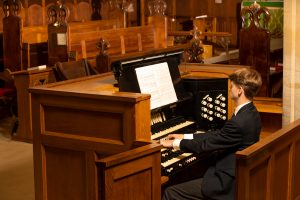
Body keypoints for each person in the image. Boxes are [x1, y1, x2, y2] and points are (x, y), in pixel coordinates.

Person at [160, 68, 262, 200]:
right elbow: (219, 135)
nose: (230, 89)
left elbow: (206, 144)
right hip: (235, 171)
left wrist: (173, 143)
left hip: (226, 183)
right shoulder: (251, 112)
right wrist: (184, 136)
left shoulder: (239, 122)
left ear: (240, 90)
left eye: (232, 87)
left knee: (170, 192)